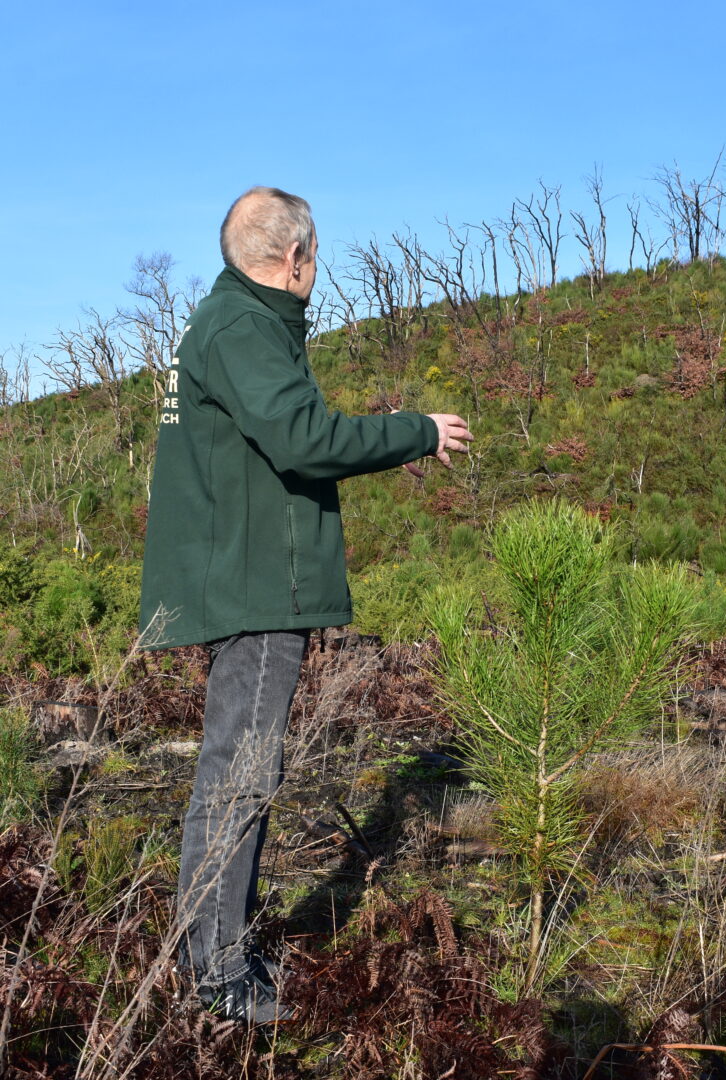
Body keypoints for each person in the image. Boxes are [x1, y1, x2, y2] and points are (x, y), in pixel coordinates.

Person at [138, 186, 473, 1024]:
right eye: (314, 260)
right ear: (295, 260)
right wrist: (417, 430)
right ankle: (218, 978)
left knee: (240, 772)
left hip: (247, 580)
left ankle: (214, 958)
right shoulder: (244, 327)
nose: (313, 275)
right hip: (255, 589)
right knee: (240, 775)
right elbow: (305, 438)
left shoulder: (225, 324)